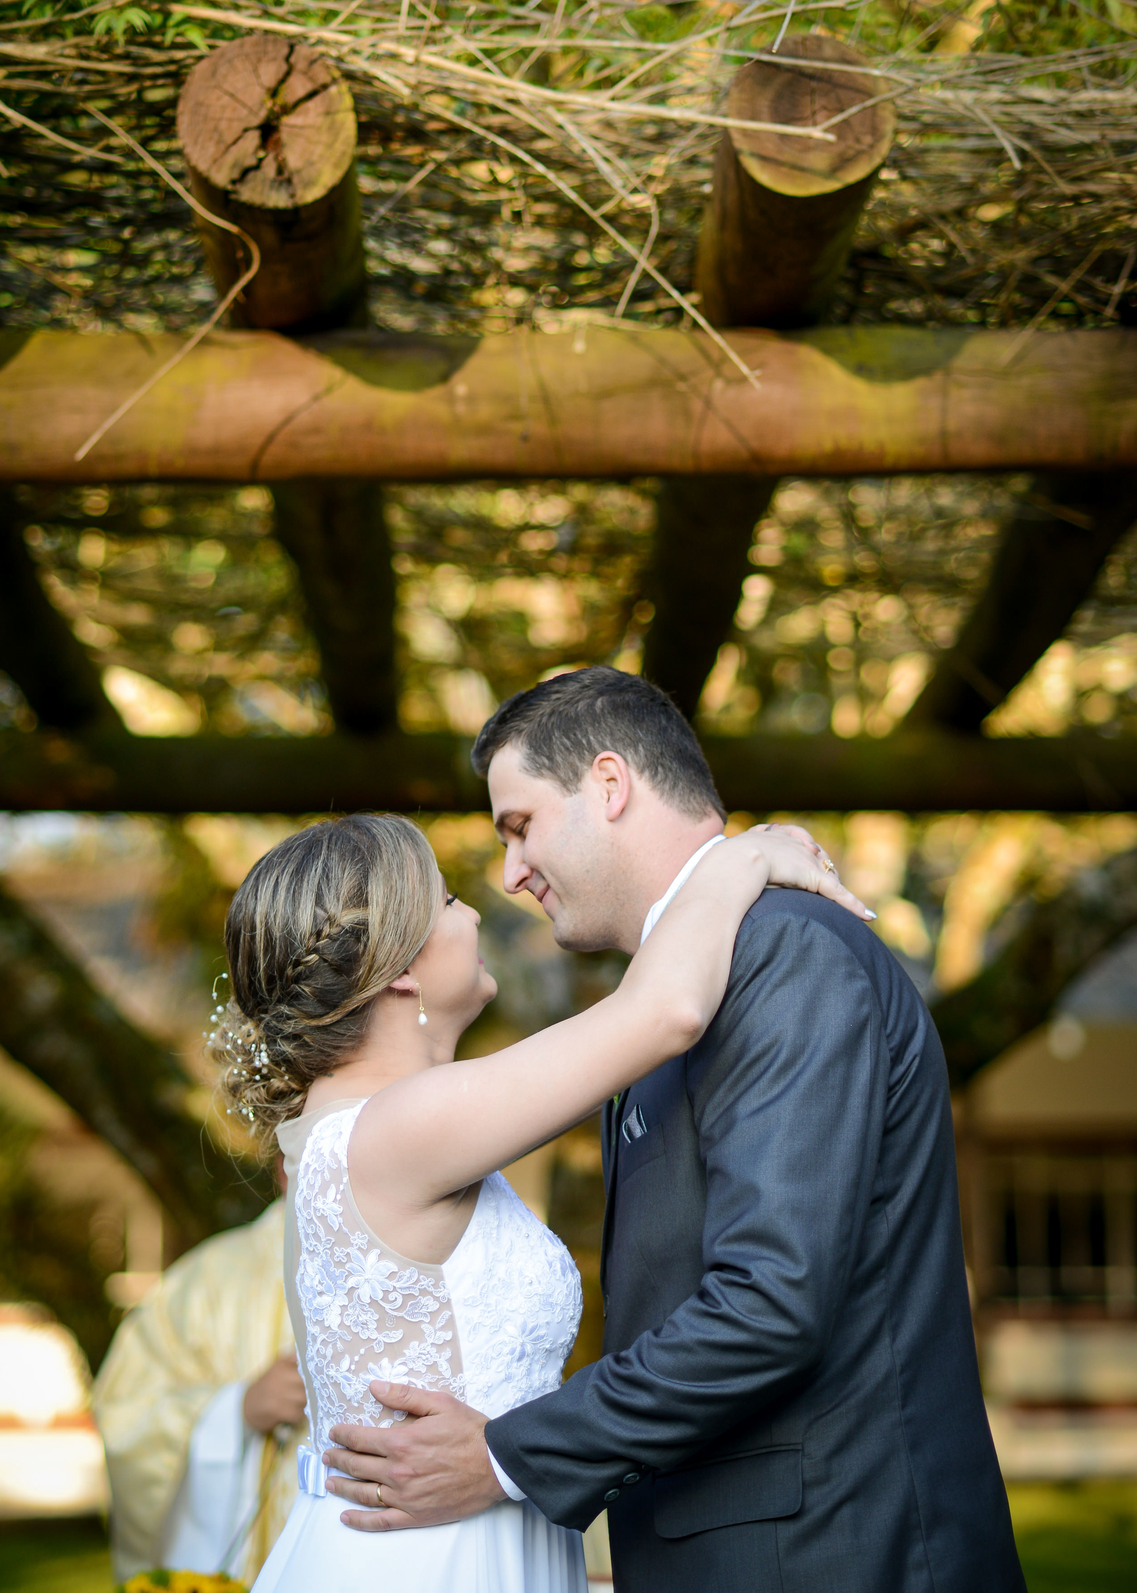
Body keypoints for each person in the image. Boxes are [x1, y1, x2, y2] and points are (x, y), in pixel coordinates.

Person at [323, 667, 1027, 1593]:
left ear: (609, 786)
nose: (510, 873)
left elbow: (771, 1301)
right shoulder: (670, 996)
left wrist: (503, 1457)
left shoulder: (783, 953)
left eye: (520, 825)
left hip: (834, 1552)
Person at [207, 788, 862, 1593]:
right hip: (425, 1564)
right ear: (400, 969)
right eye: (448, 898)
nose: (477, 914)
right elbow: (666, 1012)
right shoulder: (396, 1127)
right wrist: (743, 856)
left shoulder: (358, 1126)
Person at [94, 1194, 307, 1586]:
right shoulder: (207, 1279)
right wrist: (236, 1411)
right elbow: (127, 1411)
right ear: (279, 1158)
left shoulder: (428, 1266)